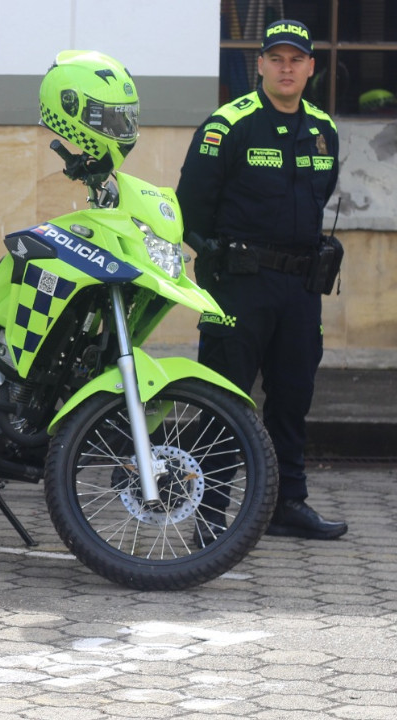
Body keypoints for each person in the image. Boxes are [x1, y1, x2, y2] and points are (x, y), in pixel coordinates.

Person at [176, 19, 347, 540]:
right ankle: (209, 513)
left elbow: (321, 196)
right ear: (261, 65)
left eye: (296, 59)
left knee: (293, 398)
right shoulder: (228, 125)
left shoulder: (323, 128)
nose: (286, 68)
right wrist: (218, 260)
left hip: (300, 288)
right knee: (224, 400)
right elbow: (190, 207)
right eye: (277, 58)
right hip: (239, 287)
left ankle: (285, 505)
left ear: (311, 67)